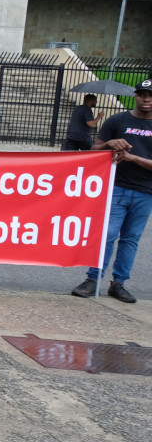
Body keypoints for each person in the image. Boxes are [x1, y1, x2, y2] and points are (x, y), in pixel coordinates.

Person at [70, 78, 152, 304]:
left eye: (150, 95)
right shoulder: (118, 120)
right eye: (142, 94)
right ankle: (92, 279)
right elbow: (94, 148)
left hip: (145, 191)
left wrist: (133, 158)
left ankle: (119, 283)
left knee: (130, 239)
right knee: (107, 235)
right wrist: (110, 143)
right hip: (115, 187)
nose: (146, 99)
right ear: (135, 96)